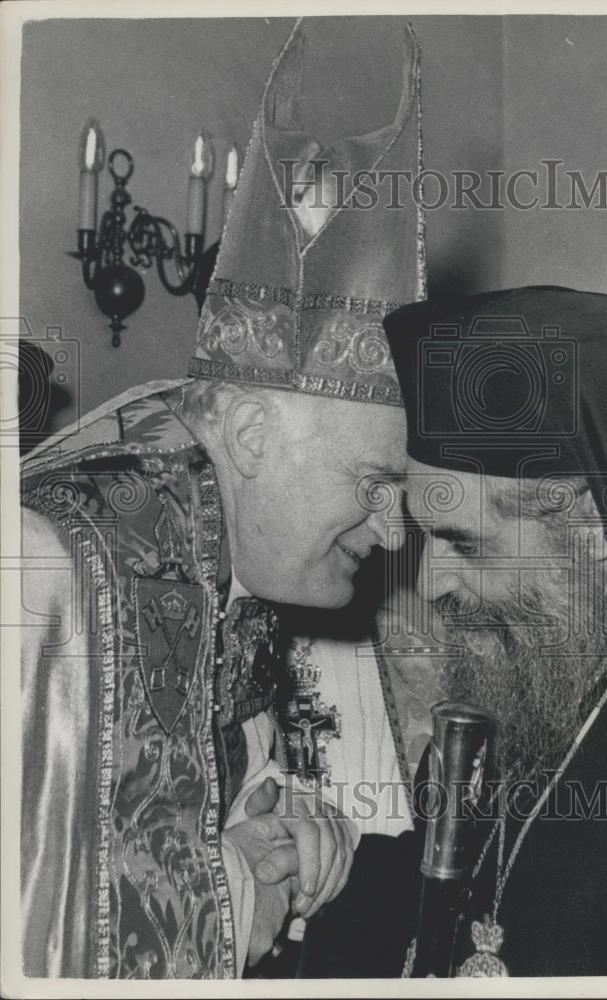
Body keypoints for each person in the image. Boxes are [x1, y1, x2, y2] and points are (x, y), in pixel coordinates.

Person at [19, 21, 424, 979]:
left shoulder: (227, 569)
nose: (395, 527)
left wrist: (282, 815)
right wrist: (240, 887)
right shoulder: (44, 577)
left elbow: (187, 798)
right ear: (245, 436)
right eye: (374, 482)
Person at [303, 285, 607, 977]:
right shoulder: (542, 655)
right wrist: (319, 867)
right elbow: (476, 892)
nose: (428, 582)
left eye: (461, 542)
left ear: (588, 526)